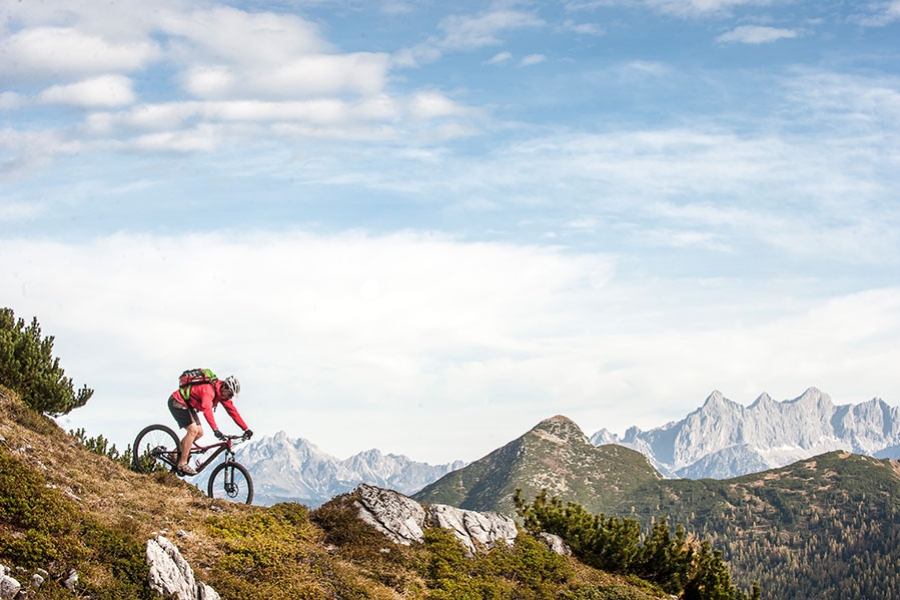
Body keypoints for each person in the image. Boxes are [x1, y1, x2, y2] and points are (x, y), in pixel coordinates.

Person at [167, 374, 253, 475]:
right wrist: (215, 429)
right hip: (177, 401)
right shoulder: (208, 390)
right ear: (225, 387)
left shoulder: (221, 394)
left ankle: (175, 454)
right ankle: (182, 463)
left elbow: (233, 412)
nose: (230, 398)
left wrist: (246, 428)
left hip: (187, 405)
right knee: (193, 430)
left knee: (199, 433)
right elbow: (207, 411)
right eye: (230, 394)